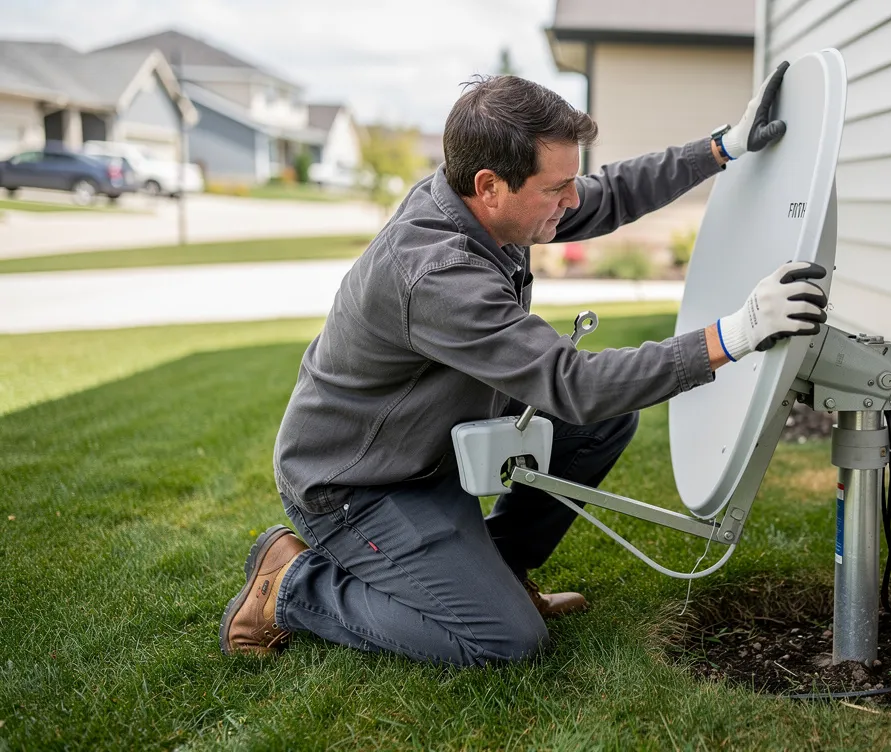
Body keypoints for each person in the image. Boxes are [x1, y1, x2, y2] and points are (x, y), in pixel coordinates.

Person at [219, 63, 827, 667]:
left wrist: (721, 147)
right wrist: (736, 333)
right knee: (505, 641)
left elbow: (610, 192)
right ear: (489, 186)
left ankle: (500, 570)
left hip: (429, 441)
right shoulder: (434, 273)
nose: (573, 200)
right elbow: (572, 384)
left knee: (603, 425)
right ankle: (292, 587)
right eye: (556, 189)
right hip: (357, 485)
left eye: (572, 181)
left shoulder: (485, 204)